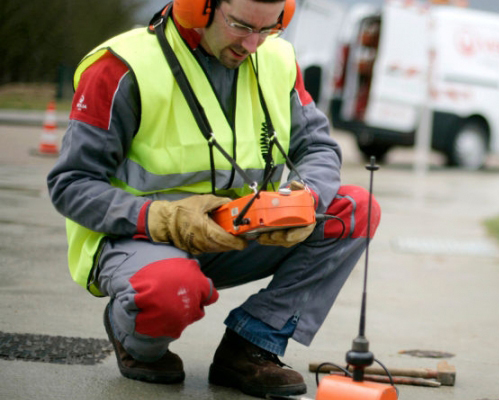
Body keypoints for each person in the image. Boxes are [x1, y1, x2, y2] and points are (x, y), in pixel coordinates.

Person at [46, 0, 380, 397]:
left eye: (269, 28)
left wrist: (305, 199)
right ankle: (137, 342)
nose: (253, 44)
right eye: (241, 26)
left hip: (236, 232)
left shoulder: (276, 59)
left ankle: (252, 346)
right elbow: (71, 183)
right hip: (142, 239)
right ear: (196, 8)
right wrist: (163, 218)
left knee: (353, 209)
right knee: (170, 291)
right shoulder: (122, 66)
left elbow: (319, 149)